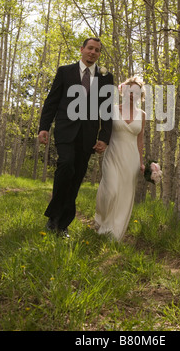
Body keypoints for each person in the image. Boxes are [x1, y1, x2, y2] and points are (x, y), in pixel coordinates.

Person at [38, 37, 114, 237]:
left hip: (87, 136)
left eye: (97, 50)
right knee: (66, 165)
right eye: (90, 48)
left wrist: (104, 137)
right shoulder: (65, 72)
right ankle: (53, 218)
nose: (93, 52)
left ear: (99, 54)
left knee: (76, 177)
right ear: (82, 49)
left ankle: (63, 225)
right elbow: (52, 101)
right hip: (65, 130)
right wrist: (43, 127)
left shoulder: (106, 77)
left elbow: (107, 111)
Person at [95, 76, 145, 241]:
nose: (132, 94)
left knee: (124, 196)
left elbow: (140, 139)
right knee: (110, 191)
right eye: (130, 90)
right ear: (123, 91)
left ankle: (113, 234)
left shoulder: (142, 115)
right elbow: (103, 129)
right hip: (113, 155)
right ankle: (101, 218)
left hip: (131, 160)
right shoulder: (113, 109)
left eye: (136, 92)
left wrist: (141, 162)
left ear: (140, 95)